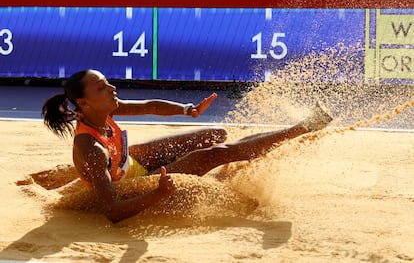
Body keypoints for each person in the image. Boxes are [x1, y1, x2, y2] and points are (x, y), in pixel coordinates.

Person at [42, 69, 333, 223]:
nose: (112, 89)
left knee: (214, 134)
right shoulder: (91, 149)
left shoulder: (105, 110)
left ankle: (251, 150)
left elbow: (151, 106)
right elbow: (113, 211)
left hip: (133, 164)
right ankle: (303, 128)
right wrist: (157, 193)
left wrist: (188, 110)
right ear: (84, 102)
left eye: (108, 83)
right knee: (218, 153)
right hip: (138, 184)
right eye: (102, 87)